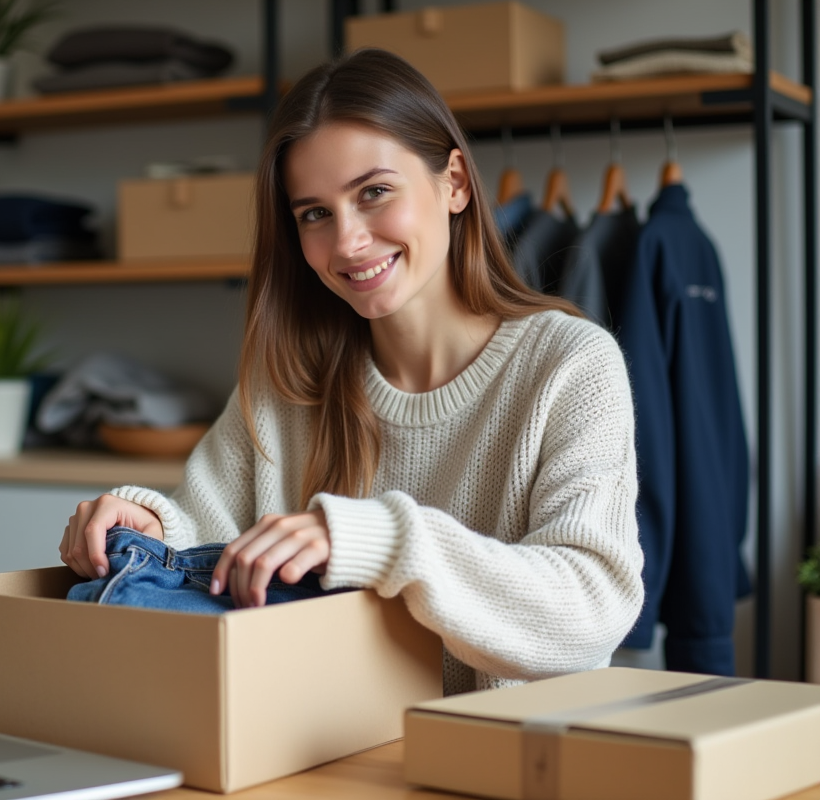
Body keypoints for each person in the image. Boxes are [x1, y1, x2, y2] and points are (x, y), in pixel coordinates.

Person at [60, 48, 643, 695]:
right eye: (314, 213)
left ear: (454, 183)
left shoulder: (570, 365)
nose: (347, 243)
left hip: (499, 761)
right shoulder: (286, 381)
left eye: (373, 193)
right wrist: (154, 528)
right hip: (319, 752)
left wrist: (386, 542)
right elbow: (212, 539)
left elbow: (593, 611)